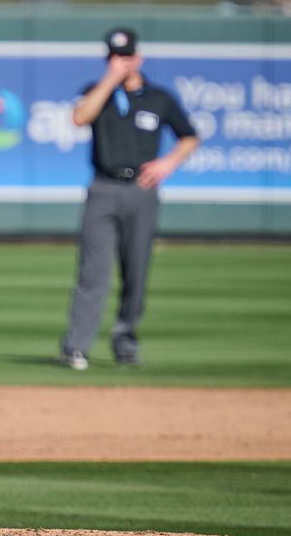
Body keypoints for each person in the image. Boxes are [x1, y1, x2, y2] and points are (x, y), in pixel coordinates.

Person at [59, 28, 199, 371]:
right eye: (113, 56)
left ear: (138, 58)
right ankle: (76, 347)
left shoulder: (158, 99)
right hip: (103, 189)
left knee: (136, 270)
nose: (119, 61)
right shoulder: (98, 92)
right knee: (93, 273)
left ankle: (126, 342)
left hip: (141, 189)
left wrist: (167, 164)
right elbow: (79, 117)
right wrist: (110, 80)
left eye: (125, 56)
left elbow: (189, 137)